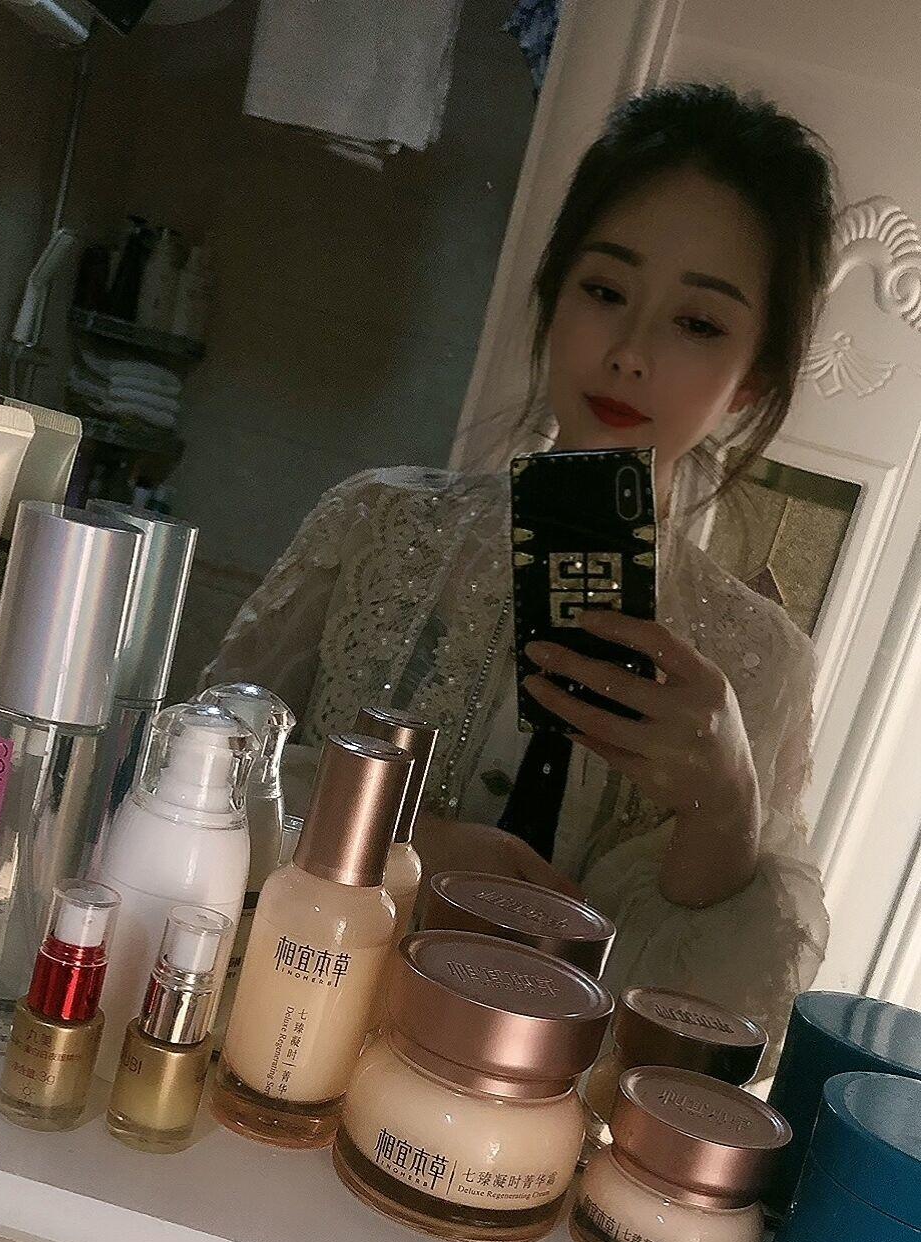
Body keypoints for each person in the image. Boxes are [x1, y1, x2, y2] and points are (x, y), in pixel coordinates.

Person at [199, 83, 839, 1052]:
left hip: (531, 1124)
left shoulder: (762, 666)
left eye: (699, 323)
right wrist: (397, 846)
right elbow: (190, 789)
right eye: (605, 291)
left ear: (751, 381)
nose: (630, 353)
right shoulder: (373, 524)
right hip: (282, 1056)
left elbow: (703, 1045)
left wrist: (724, 808)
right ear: (552, 295)